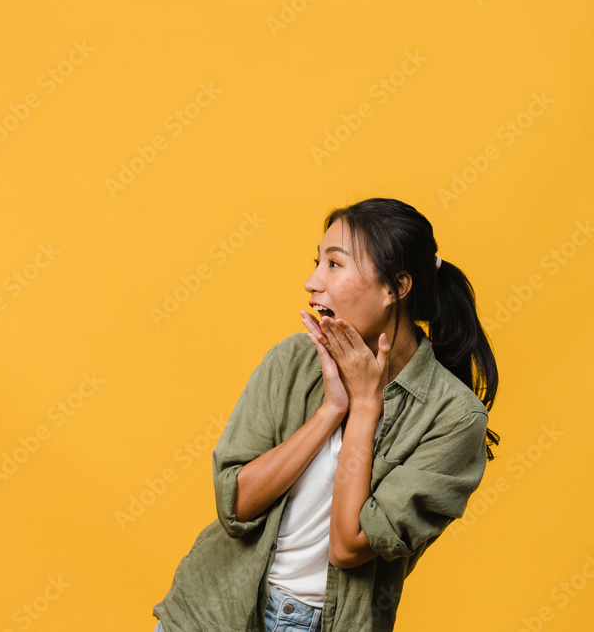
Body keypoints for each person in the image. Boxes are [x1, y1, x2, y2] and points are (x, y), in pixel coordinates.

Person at [151, 197, 499, 631]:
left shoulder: (454, 418)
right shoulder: (293, 360)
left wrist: (366, 406)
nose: (312, 282)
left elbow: (349, 546)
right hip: (210, 611)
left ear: (396, 288)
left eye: (334, 264)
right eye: (317, 263)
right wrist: (331, 411)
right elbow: (236, 504)